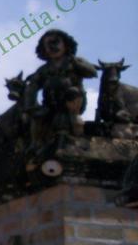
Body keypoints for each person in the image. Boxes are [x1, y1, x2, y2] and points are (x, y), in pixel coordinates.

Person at [24, 29, 96, 160]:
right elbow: (32, 86)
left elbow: (92, 72)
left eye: (55, 42)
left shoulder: (72, 62)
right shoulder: (44, 69)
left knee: (72, 95)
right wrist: (30, 106)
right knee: (38, 118)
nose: (52, 47)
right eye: (48, 45)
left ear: (66, 45)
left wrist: (76, 62)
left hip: (72, 102)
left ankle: (74, 121)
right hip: (50, 104)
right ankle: (35, 144)